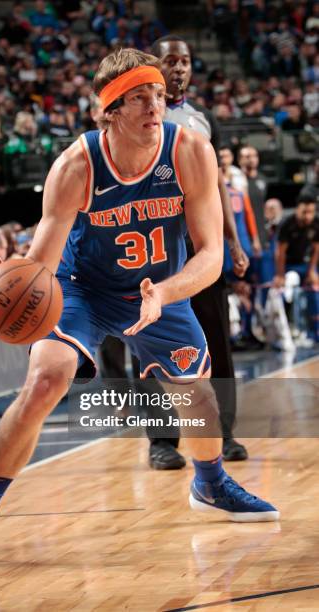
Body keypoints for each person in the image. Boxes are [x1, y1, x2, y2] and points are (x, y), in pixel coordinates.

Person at [0, 48, 279, 565]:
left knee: (198, 397)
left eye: (157, 96)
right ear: (110, 110)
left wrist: (167, 293)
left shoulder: (191, 150)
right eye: (139, 99)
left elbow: (212, 255)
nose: (155, 108)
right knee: (46, 378)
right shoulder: (76, 165)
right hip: (82, 288)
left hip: (158, 288)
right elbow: (39, 263)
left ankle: (211, 484)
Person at [150, 34, 250, 463]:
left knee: (216, 341)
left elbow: (216, 186)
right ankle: (161, 442)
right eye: (170, 60)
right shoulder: (140, 114)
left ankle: (223, 434)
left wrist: (235, 240)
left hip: (201, 250)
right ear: (154, 65)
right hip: (155, 250)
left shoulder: (204, 118)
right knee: (152, 345)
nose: (179, 67)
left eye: (185, 61)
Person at [274, 194, 319, 288]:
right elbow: (280, 252)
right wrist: (280, 275)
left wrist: (311, 271)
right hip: (287, 264)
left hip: (304, 263)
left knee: (314, 284)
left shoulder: (316, 223)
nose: (307, 216)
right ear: (297, 210)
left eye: (311, 212)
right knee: (291, 280)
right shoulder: (287, 224)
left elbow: (316, 249)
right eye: (304, 212)